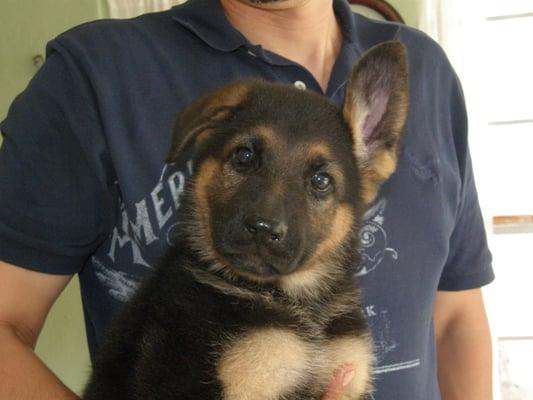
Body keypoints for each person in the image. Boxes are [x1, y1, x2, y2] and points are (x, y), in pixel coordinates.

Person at [0, 0, 494, 399]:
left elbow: (455, 320)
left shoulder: (426, 71)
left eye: (320, 183)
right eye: (243, 161)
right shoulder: (97, 72)